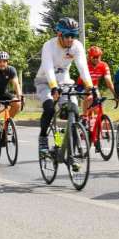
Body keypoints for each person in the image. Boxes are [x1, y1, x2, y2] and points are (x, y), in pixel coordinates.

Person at [35, 17, 93, 154]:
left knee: (73, 111)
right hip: (44, 80)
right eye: (67, 36)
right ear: (59, 34)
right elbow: (48, 68)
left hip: (64, 80)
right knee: (49, 108)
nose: (70, 39)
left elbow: (83, 68)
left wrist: (90, 87)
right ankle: (43, 137)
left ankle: (67, 147)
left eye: (73, 36)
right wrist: (54, 87)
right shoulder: (48, 46)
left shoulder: (77, 46)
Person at [77, 46, 118, 120]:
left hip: (94, 87)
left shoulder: (103, 65)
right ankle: (84, 117)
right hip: (82, 86)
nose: (96, 59)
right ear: (89, 57)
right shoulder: (85, 66)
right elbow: (84, 81)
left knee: (98, 106)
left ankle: (95, 126)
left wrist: (115, 94)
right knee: (89, 98)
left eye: (98, 56)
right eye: (94, 57)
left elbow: (108, 81)